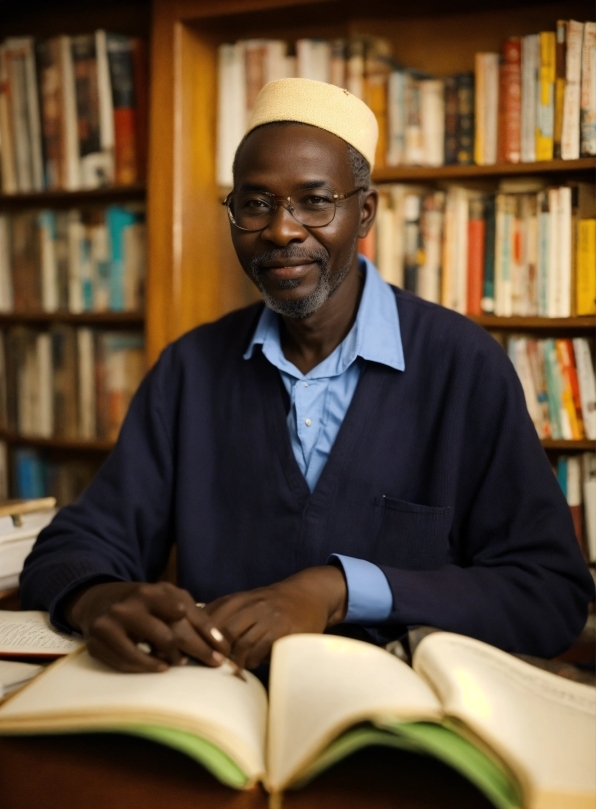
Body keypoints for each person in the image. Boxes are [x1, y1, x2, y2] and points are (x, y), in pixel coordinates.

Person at [21, 78, 594, 675]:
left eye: (315, 201)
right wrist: (99, 599)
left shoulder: (463, 365)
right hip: (217, 717)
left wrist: (337, 590)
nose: (282, 230)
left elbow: (549, 594)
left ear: (364, 212)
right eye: (255, 203)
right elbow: (70, 549)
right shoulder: (189, 370)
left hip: (394, 736)